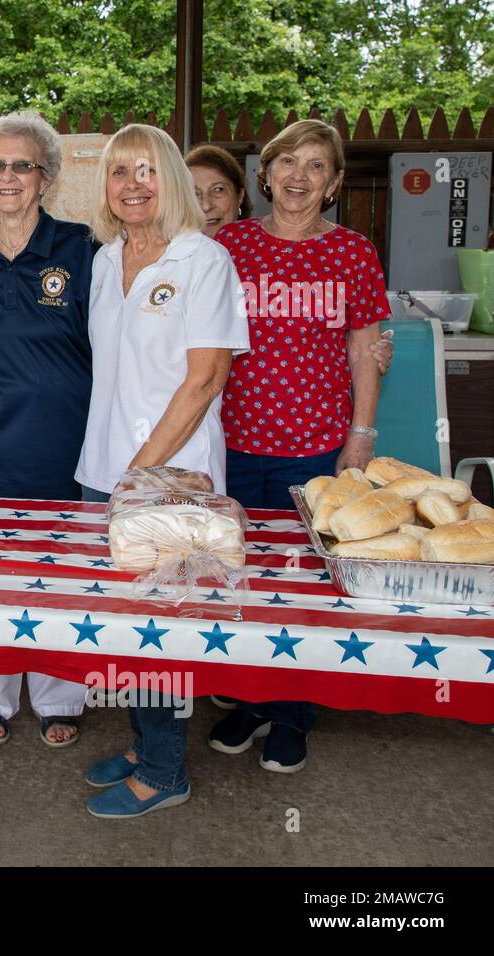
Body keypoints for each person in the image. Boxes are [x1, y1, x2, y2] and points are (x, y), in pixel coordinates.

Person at [77, 123, 251, 819]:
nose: (133, 184)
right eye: (120, 173)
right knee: (124, 623)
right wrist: (114, 474)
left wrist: (139, 477)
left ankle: (163, 771)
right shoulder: (103, 259)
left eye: (148, 171)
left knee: (162, 624)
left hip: (172, 480)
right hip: (104, 469)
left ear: (171, 180)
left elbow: (205, 380)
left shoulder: (202, 260)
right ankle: (145, 742)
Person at [208, 118, 389, 773]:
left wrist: (359, 439)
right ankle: (252, 701)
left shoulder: (352, 253)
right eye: (288, 162)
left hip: (315, 451)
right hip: (231, 446)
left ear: (335, 182)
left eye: (317, 166)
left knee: (306, 588)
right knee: (242, 578)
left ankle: (293, 715)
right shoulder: (229, 246)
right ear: (267, 173)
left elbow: (366, 349)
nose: (299, 177)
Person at [0, 112, 98, 748]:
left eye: (23, 165)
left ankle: (60, 693)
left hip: (67, 437)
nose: (8, 177)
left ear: (47, 177)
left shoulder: (79, 246)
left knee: (60, 568)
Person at [184, 144, 252, 240]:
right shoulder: (168, 252)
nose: (206, 206)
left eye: (218, 190)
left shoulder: (262, 250)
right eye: (194, 193)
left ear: (240, 196)